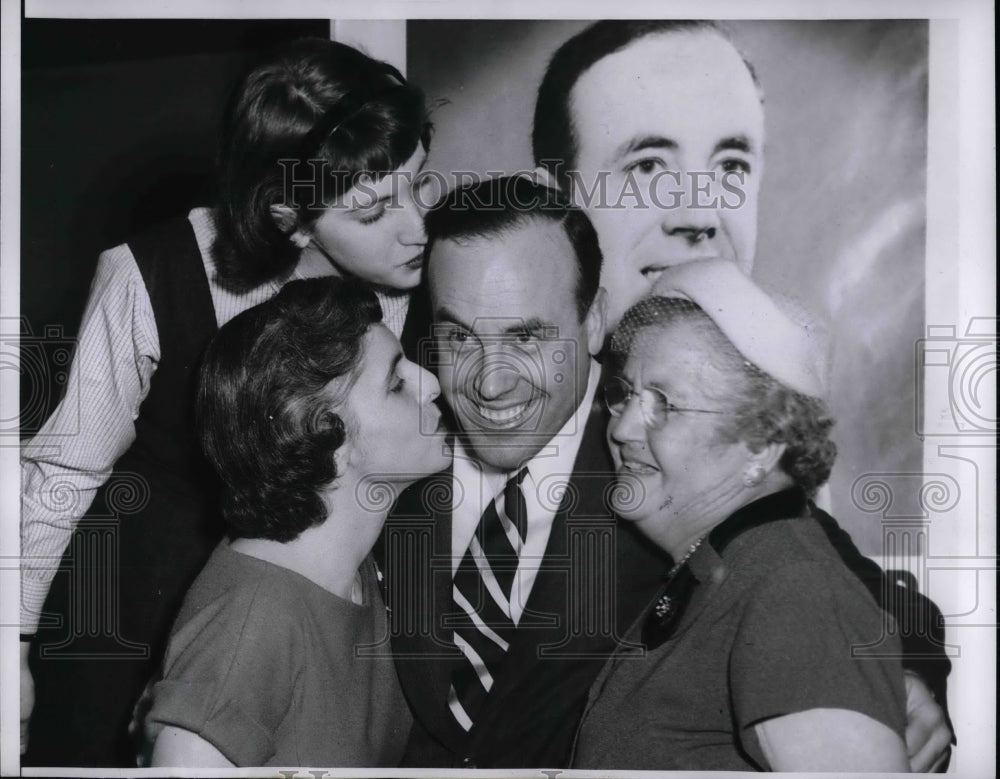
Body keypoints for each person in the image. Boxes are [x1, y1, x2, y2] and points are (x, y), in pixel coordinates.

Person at [531, 21, 952, 769]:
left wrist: (904, 667)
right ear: (558, 201)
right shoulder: (441, 380)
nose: (699, 212)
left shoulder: (747, 437)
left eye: (729, 165)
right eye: (648, 165)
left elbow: (822, 574)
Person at [21, 37, 430, 766]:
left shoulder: (415, 273)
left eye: (417, 185)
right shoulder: (149, 272)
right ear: (289, 219)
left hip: (322, 631)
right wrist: (7, 650)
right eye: (373, 212)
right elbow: (60, 476)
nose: (417, 229)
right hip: (132, 637)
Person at [573, 259, 908, 771]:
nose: (621, 431)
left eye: (665, 404)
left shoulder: (793, 590)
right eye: (625, 397)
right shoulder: (726, 575)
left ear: (764, 443)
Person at [383, 176, 667, 768]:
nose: (490, 382)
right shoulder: (389, 449)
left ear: (593, 322)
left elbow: (800, 562)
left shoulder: (666, 457)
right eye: (459, 337)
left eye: (527, 337)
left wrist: (911, 671)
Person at [139, 277, 450, 767]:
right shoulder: (255, 618)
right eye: (395, 383)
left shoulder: (353, 570)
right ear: (331, 441)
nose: (430, 382)